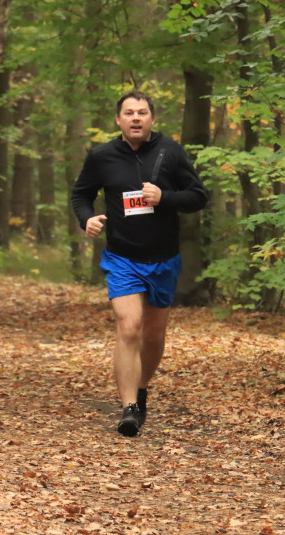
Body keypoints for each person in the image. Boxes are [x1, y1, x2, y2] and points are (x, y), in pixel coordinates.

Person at [71, 89, 208, 437]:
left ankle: (141, 387)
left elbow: (198, 197)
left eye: (142, 112)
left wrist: (165, 198)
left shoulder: (171, 151)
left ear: (152, 119)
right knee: (129, 326)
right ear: (118, 120)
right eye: (129, 113)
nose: (135, 118)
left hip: (164, 258)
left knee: (153, 333)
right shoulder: (102, 156)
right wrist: (86, 218)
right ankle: (129, 408)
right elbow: (80, 193)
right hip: (122, 257)